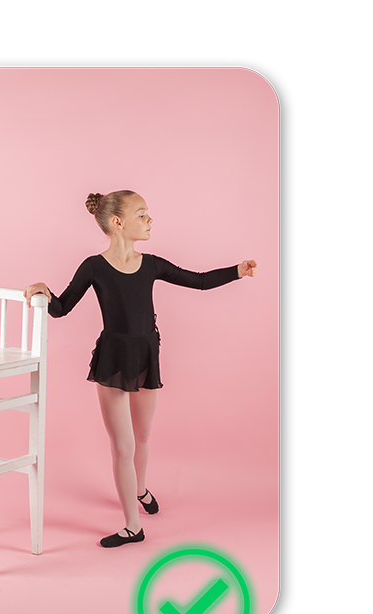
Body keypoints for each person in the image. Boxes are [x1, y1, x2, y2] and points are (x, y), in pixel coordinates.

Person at [24, 191, 257, 548]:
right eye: (142, 214)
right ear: (118, 223)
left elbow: (198, 280)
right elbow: (61, 308)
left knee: (143, 435)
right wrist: (44, 291)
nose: (150, 220)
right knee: (123, 445)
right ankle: (133, 526)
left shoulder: (151, 264)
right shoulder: (93, 266)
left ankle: (141, 488)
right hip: (114, 357)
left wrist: (236, 272)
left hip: (146, 352)